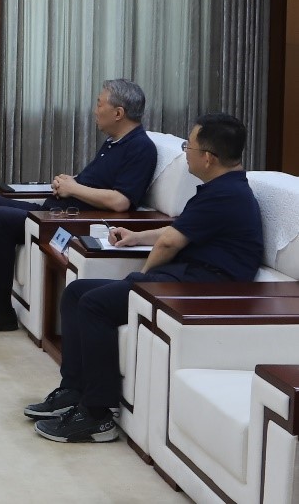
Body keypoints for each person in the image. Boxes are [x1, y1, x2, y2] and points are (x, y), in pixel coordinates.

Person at [25, 113, 262, 443]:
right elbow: (179, 229)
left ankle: (97, 415)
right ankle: (74, 390)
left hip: (204, 289)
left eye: (189, 146)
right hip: (189, 277)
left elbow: (170, 243)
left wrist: (141, 279)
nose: (186, 152)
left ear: (208, 157)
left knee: (94, 305)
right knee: (77, 292)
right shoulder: (223, 189)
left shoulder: (225, 195)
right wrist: (136, 236)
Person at [0, 79, 158, 333]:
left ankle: (1, 309)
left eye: (99, 104)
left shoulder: (141, 148)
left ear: (118, 113)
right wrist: (68, 182)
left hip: (72, 221)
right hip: (56, 211)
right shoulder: (114, 142)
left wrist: (73, 189)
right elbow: (99, 182)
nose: (95, 111)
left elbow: (121, 201)